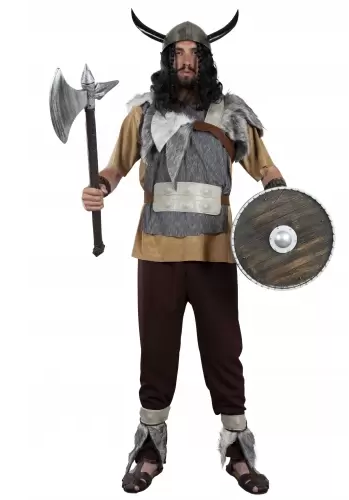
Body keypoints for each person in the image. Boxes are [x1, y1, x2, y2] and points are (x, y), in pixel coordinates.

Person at [81, 10, 286, 495]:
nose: (187, 61)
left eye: (195, 54)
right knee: (156, 350)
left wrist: (282, 202)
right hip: (157, 252)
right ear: (167, 61)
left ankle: (238, 449)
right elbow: (114, 168)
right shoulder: (143, 114)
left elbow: (268, 170)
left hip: (216, 252)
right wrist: (99, 188)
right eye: (178, 54)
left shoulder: (231, 113)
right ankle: (150, 449)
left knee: (224, 351)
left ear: (206, 61)